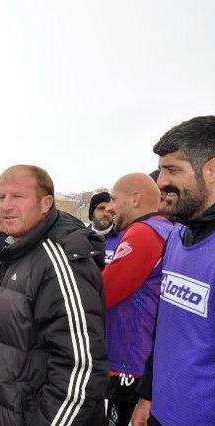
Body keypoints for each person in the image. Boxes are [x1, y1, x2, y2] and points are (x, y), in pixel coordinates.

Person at [0, 165, 107, 425]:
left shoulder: (60, 260)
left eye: (18, 197)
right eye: (1, 197)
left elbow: (80, 369)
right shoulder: (17, 250)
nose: (5, 206)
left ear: (46, 203)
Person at [132, 116, 215, 426]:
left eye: (173, 170)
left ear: (212, 170)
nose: (161, 182)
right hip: (159, 413)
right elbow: (166, 329)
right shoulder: (177, 237)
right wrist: (148, 394)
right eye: (162, 169)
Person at [102, 174, 173, 426]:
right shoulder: (165, 228)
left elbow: (105, 292)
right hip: (146, 360)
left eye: (113, 199)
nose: (109, 207)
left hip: (132, 364)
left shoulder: (143, 232)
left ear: (135, 199)